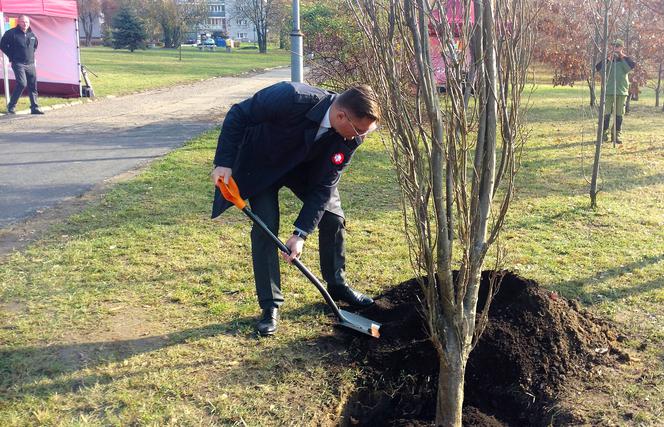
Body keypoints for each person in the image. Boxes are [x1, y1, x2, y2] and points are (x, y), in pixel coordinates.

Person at [211, 82, 380, 336]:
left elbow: (324, 186)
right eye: (358, 130)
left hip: (306, 172)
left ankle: (337, 285)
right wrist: (224, 162)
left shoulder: (350, 137)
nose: (360, 138)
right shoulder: (292, 97)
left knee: (333, 217)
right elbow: (239, 114)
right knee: (265, 227)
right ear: (341, 115)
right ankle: (270, 305)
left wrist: (300, 234)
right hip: (262, 164)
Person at [0, 15, 44, 115]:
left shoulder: (31, 34)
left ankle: (34, 108)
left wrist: (31, 56)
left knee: (33, 86)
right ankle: (11, 106)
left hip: (31, 64)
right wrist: (12, 55)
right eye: (23, 22)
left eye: (27, 22)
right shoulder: (11, 33)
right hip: (18, 63)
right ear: (18, 22)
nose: (25, 24)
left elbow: (35, 46)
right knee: (22, 83)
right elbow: (2, 45)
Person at [595, 39, 635, 144]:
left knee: (619, 115)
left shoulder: (626, 59)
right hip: (608, 91)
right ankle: (603, 134)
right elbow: (598, 68)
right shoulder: (608, 59)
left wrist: (621, 57)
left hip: (622, 91)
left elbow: (630, 67)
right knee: (606, 113)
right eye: (613, 46)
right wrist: (608, 58)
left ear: (622, 47)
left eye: (617, 46)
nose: (615, 48)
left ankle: (616, 135)